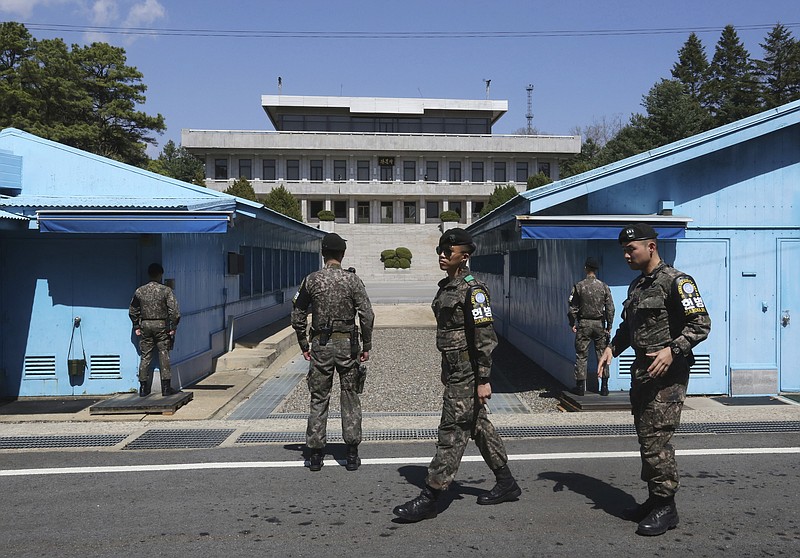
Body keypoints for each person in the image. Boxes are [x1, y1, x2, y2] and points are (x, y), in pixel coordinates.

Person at [393, 228, 521, 522]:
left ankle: (431, 496)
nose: (442, 254)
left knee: (452, 430)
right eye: (440, 249)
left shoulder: (473, 289)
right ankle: (506, 482)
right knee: (477, 425)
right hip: (454, 369)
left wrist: (484, 379)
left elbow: (485, 336)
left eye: (448, 251)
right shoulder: (447, 287)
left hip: (468, 371)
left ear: (464, 256)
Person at [598, 223, 710, 536]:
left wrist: (672, 351)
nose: (626, 254)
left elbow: (701, 324)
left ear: (651, 246)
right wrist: (611, 349)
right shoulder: (637, 286)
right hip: (642, 372)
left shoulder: (677, 281)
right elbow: (627, 328)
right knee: (647, 438)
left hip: (668, 375)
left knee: (658, 441)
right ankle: (654, 498)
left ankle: (666, 507)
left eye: (631, 248)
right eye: (623, 249)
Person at [291, 232, 374, 472]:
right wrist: (366, 345)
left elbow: (297, 315)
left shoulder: (311, 280)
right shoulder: (352, 281)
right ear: (343, 254)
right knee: (350, 395)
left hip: (321, 345)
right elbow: (367, 314)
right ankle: (351, 453)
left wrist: (303, 344)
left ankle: (316, 454)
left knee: (319, 397)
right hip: (348, 345)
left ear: (323, 254)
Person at [129, 263, 181, 397]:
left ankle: (143, 388)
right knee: (164, 354)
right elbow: (174, 311)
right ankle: (165, 388)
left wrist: (136, 325)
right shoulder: (166, 291)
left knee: (145, 355)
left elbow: (133, 310)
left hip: (145, 325)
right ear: (160, 274)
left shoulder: (140, 291)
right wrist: (173, 327)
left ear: (149, 274)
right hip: (161, 325)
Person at [568, 256, 615, 396]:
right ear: (596, 269)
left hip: (584, 324)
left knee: (581, 355)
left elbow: (572, 307)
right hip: (600, 324)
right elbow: (610, 308)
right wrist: (609, 325)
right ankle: (604, 387)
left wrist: (573, 322)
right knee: (603, 354)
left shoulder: (579, 286)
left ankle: (580, 386)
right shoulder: (604, 286)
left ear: (586, 268)